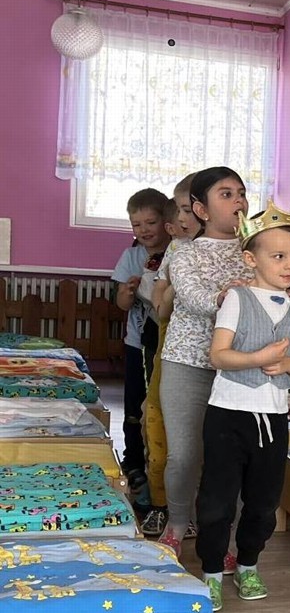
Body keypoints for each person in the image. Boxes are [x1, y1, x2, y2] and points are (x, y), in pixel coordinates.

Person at [197, 203, 290, 611]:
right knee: (217, 501)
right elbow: (218, 355)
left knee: (264, 502)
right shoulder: (237, 298)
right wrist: (258, 358)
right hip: (227, 416)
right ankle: (212, 571)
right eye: (278, 255)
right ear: (251, 259)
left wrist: (287, 364)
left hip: (273, 419)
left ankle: (248, 564)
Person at [159, 167, 255, 558]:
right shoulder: (183, 251)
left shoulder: (255, 252)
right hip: (186, 364)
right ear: (201, 209)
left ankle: (222, 537)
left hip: (237, 371)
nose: (239, 201)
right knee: (183, 456)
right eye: (226, 194)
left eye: (242, 193)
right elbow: (193, 297)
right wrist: (224, 297)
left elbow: (273, 294)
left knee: (228, 462)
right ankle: (177, 523)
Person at [142, 174, 200, 537]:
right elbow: (161, 308)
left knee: (204, 447)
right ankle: (162, 507)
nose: (180, 218)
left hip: (217, 366)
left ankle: (193, 512)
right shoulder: (177, 252)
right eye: (178, 209)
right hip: (173, 358)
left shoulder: (237, 250)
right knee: (164, 442)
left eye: (187, 209)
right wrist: (177, 288)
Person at [112, 188, 172, 503]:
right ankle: (133, 461)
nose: (144, 230)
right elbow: (122, 304)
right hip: (137, 344)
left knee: (160, 407)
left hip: (169, 347)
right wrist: (128, 291)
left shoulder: (178, 253)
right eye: (137, 224)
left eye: (151, 222)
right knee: (135, 405)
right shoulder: (131, 256)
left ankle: (161, 463)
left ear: (167, 221)